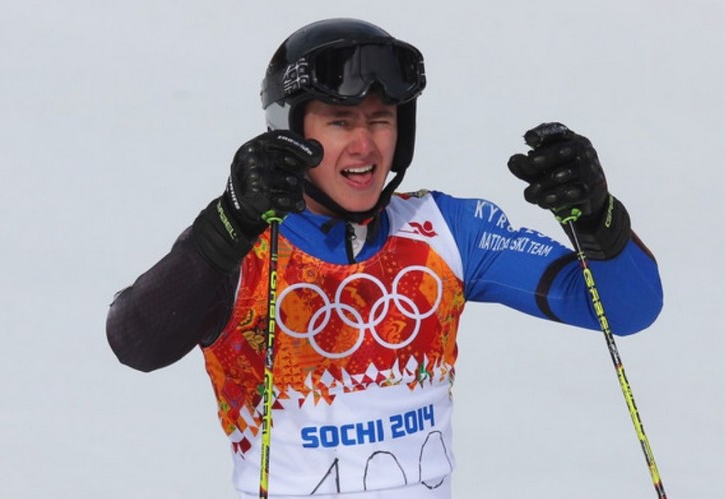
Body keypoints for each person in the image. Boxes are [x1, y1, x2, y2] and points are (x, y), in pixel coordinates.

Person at [106, 18, 663, 499]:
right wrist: (225, 225)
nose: (365, 145)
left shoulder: (447, 231)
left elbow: (629, 308)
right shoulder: (239, 246)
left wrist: (599, 220)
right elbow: (136, 343)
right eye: (339, 121)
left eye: (380, 119)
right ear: (289, 133)